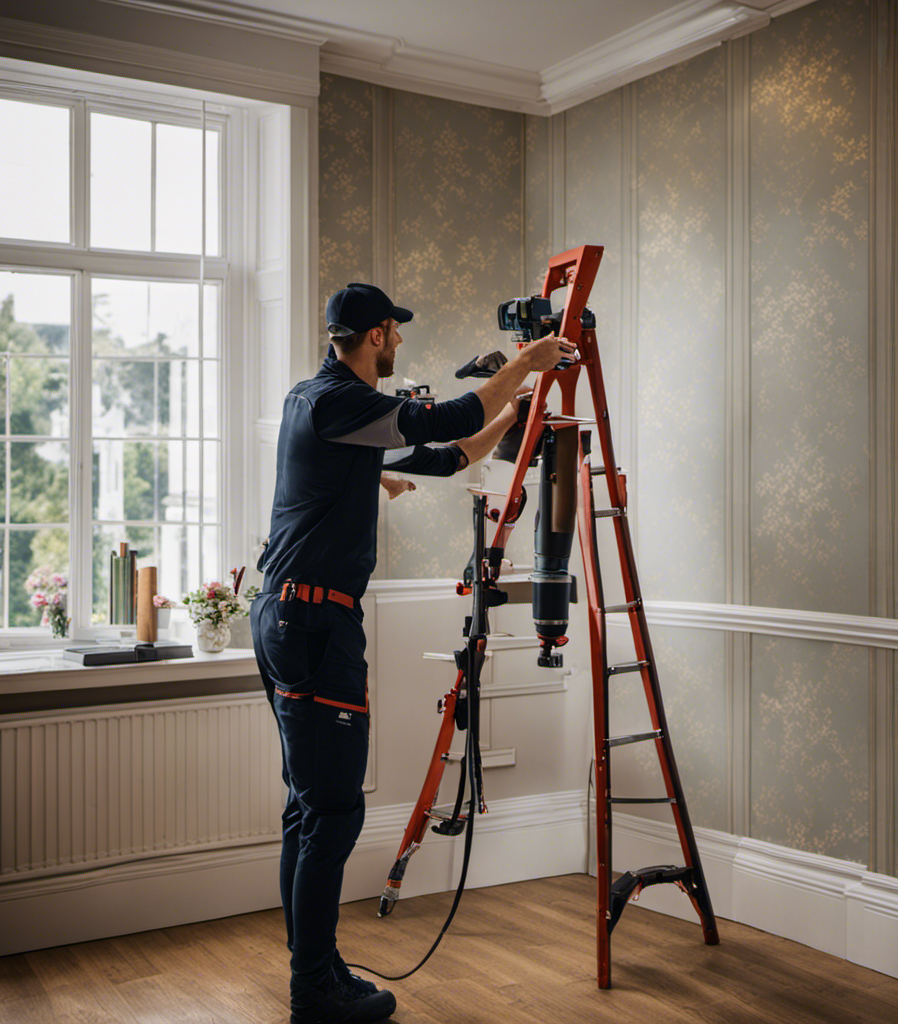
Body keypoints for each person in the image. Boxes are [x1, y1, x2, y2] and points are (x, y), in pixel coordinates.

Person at [250, 282, 575, 1024]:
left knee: (309, 811)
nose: (399, 342)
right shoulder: (339, 402)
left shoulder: (328, 407)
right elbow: (453, 413)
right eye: (394, 330)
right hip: (311, 626)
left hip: (294, 621)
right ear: (376, 334)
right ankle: (315, 990)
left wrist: (513, 419)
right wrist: (529, 359)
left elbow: (453, 454)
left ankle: (319, 966)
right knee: (329, 815)